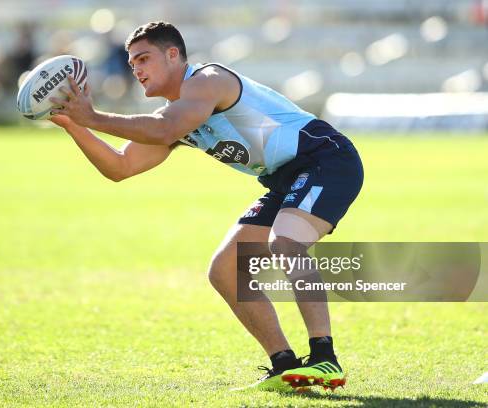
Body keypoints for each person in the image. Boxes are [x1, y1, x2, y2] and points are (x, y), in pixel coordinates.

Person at [48, 21, 363, 392]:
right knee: (225, 269)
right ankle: (284, 364)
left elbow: (164, 129)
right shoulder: (177, 112)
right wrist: (74, 125)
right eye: (132, 63)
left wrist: (95, 117)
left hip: (325, 159)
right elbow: (121, 167)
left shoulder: (206, 81)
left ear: (173, 54)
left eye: (144, 58)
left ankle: (325, 358)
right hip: (285, 178)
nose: (137, 69)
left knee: (286, 241)